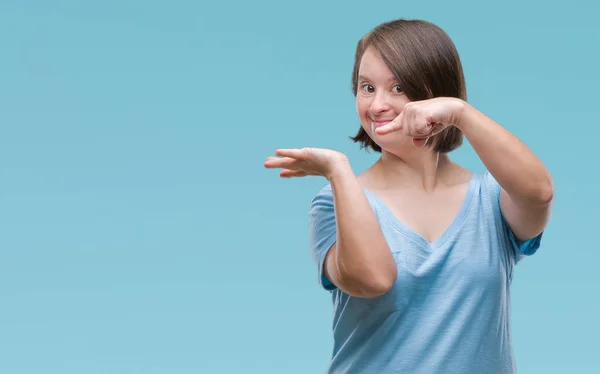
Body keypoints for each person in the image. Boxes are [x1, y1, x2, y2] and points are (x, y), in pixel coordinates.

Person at [264, 18, 553, 374]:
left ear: (436, 93)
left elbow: (539, 194)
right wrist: (339, 171)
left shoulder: (492, 200)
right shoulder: (335, 201)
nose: (377, 105)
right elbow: (371, 278)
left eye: (398, 87)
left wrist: (460, 113)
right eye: (366, 87)